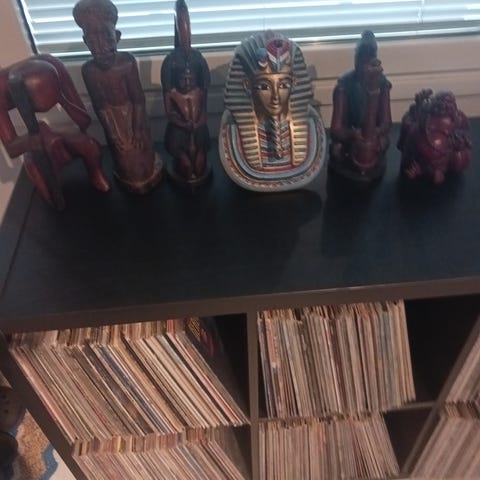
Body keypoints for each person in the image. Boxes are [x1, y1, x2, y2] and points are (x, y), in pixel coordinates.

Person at [73, 0, 162, 194]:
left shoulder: (127, 63)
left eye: (107, 38)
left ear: (117, 36)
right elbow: (101, 106)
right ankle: (129, 175)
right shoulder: (89, 71)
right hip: (112, 118)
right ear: (86, 42)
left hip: (134, 114)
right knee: (124, 155)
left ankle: (148, 170)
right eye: (93, 41)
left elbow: (138, 100)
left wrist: (137, 128)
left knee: (141, 152)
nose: (101, 48)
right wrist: (112, 132)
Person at [220, 31, 326, 192]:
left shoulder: (311, 124)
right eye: (264, 86)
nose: (275, 96)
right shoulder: (232, 130)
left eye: (283, 85)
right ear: (247, 85)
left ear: (295, 83)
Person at [0, 54, 110, 209]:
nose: (50, 106)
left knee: (91, 146)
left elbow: (84, 122)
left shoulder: (53, 64)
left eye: (53, 100)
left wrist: (62, 99)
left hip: (58, 136)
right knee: (36, 172)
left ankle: (96, 174)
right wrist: (34, 139)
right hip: (38, 146)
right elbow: (12, 149)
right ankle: (52, 200)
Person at [329, 30, 392, 182]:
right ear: (355, 60)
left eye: (369, 61)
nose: (364, 67)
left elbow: (386, 122)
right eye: (360, 61)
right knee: (337, 150)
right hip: (350, 135)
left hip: (373, 136)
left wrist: (375, 133)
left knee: (382, 144)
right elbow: (336, 129)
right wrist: (353, 135)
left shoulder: (382, 84)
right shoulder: (344, 86)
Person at [161, 0, 211, 188]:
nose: (188, 82)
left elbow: (204, 108)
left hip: (199, 131)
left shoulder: (199, 91)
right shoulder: (173, 92)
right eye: (183, 78)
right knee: (186, 167)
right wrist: (183, 124)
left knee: (199, 165)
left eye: (191, 78)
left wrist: (198, 123)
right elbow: (170, 113)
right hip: (179, 133)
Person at [398, 89, 471, 184]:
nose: (445, 106)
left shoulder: (459, 118)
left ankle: (438, 169)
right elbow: (410, 129)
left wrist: (459, 140)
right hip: (424, 156)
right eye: (443, 102)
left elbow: (465, 132)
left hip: (447, 155)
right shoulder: (424, 117)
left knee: (459, 159)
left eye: (449, 103)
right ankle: (426, 170)